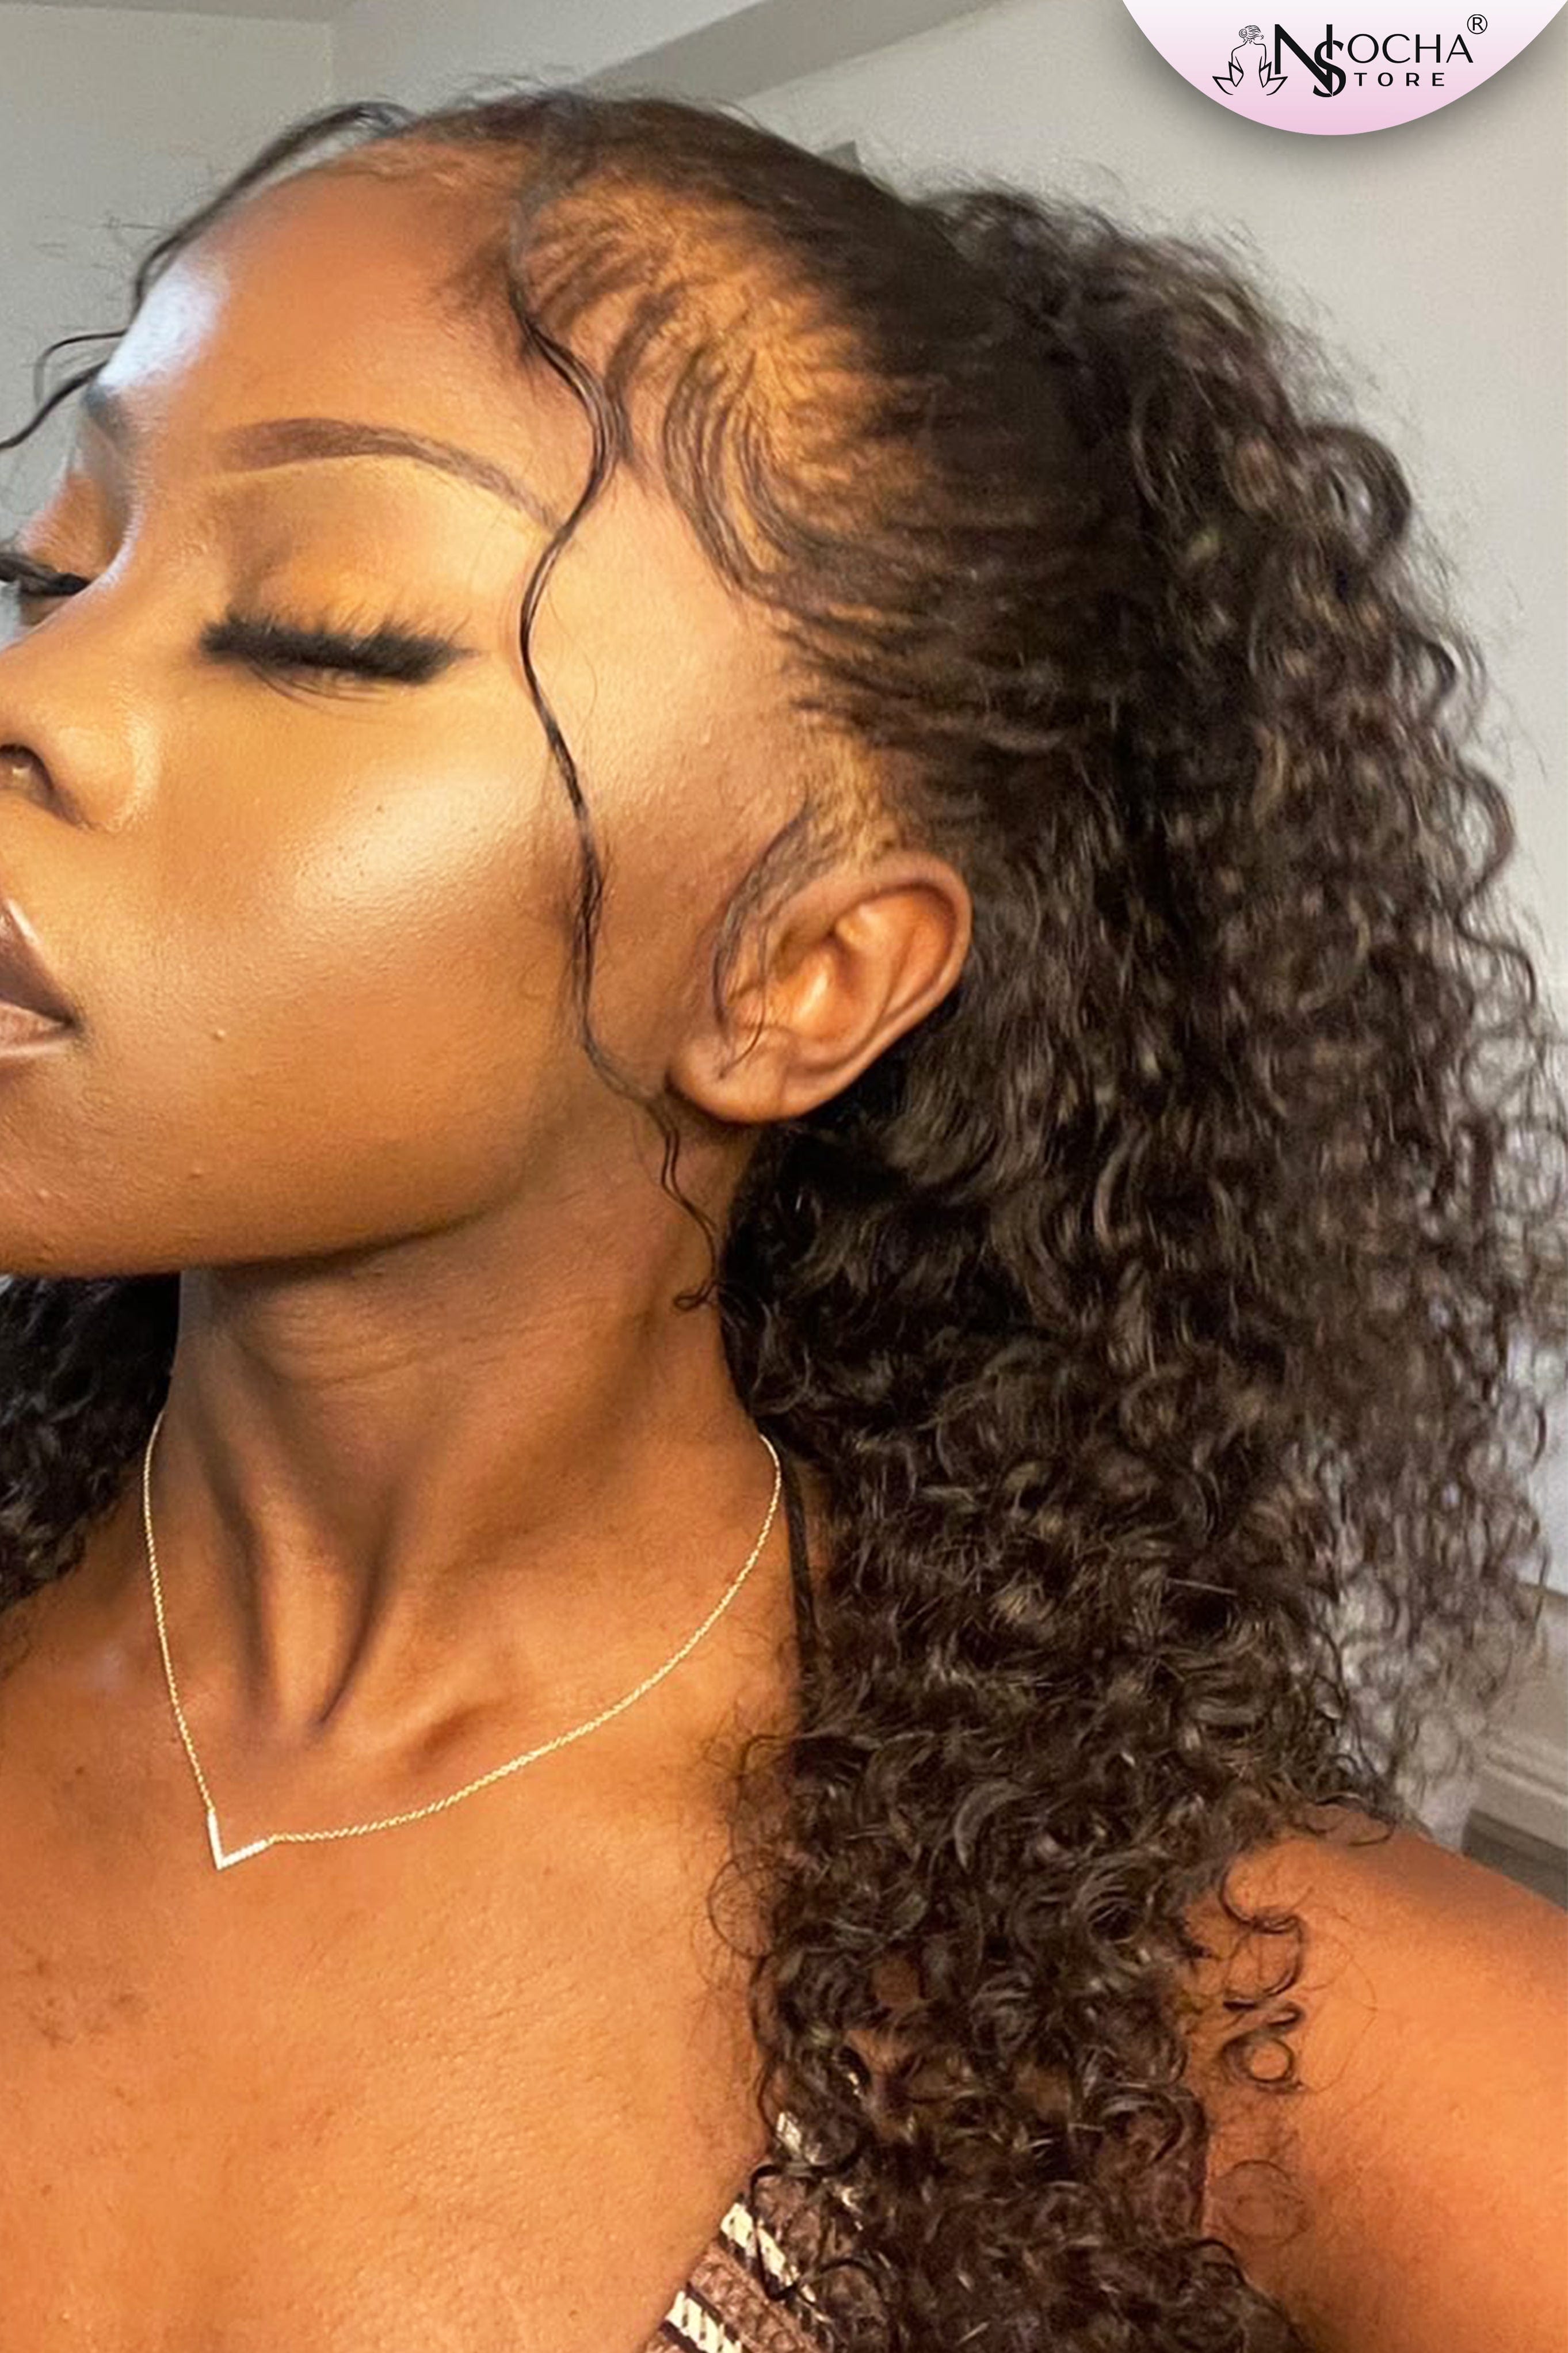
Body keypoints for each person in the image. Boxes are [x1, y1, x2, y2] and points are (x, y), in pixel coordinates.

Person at [0, 82, 1562, 2353]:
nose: (33, 696)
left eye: (325, 634)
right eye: (53, 577)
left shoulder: (1249, 2029)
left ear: (797, 974)